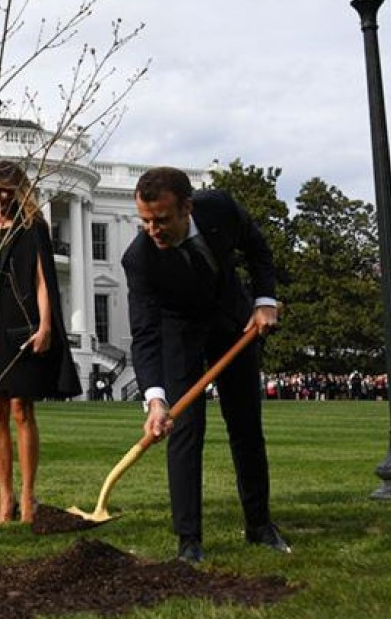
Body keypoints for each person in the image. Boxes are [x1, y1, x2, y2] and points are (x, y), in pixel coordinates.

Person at [122, 166, 288, 562]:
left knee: (246, 426)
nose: (152, 229)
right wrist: (156, 399)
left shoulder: (220, 209)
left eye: (161, 220)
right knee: (185, 429)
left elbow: (258, 250)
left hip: (234, 323)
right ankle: (189, 540)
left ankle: (260, 525)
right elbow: (145, 333)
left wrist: (264, 300)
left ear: (187, 209)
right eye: (144, 220)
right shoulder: (140, 259)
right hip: (179, 331)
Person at [0, 160, 81, 524]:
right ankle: (4, 498)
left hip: (20, 325)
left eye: (3, 190)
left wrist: (45, 326)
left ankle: (28, 497)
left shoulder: (32, 229)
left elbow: (43, 281)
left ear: (18, 190)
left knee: (22, 408)